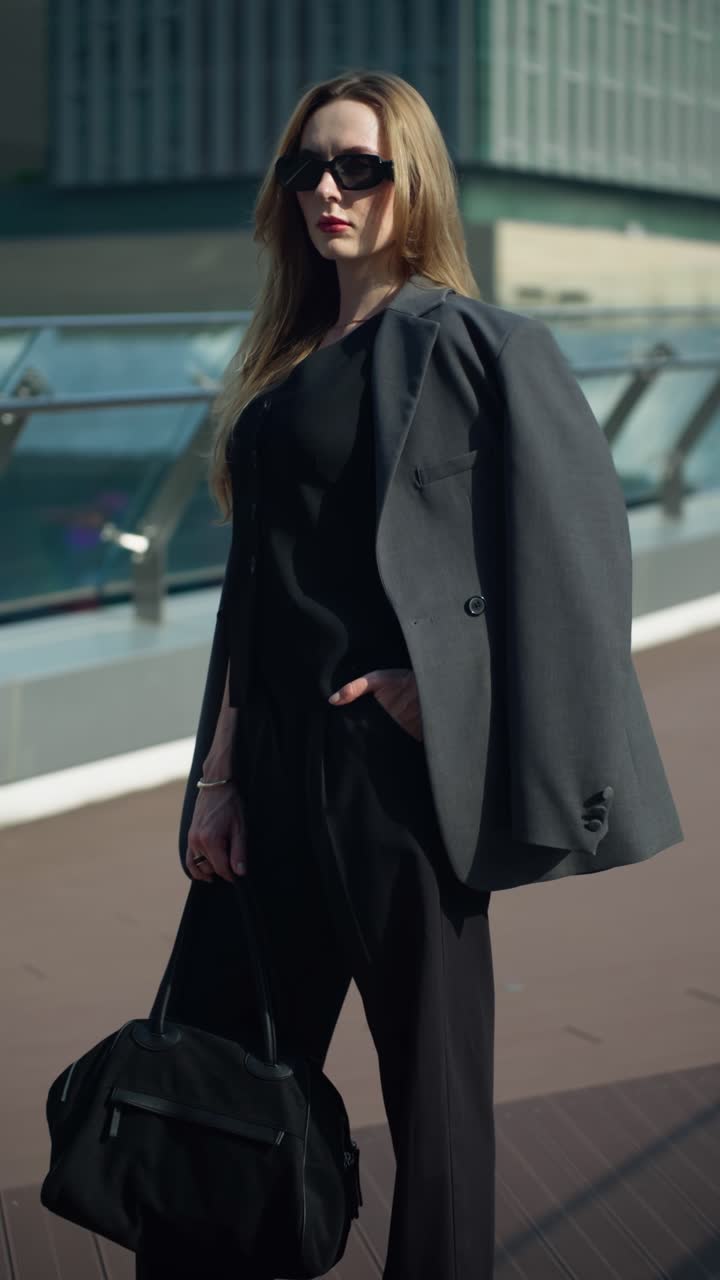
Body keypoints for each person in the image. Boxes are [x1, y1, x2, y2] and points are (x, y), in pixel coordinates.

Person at [135, 69, 683, 1280]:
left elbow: (578, 561)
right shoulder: (282, 359)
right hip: (268, 771)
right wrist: (217, 776)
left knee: (434, 1105)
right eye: (307, 169)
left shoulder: (478, 346)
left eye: (358, 168)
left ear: (411, 179)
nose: (328, 190)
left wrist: (448, 697)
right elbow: (254, 593)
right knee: (215, 1069)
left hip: (393, 783)